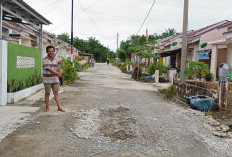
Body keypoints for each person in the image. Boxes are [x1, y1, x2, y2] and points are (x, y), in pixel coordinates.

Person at [43, 45, 65, 112]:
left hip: (55, 79)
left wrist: (60, 72)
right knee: (47, 93)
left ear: (54, 52)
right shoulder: (44, 60)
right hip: (47, 80)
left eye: (52, 51)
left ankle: (59, 107)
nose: (51, 52)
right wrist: (58, 74)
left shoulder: (55, 60)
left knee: (56, 93)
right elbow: (49, 69)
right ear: (47, 52)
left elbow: (56, 69)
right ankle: (47, 108)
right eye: (49, 51)